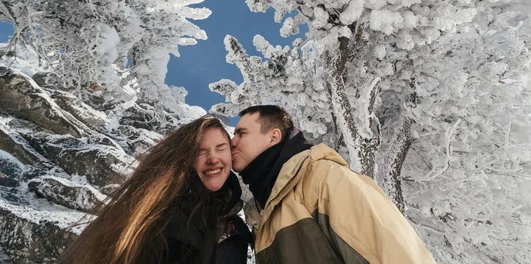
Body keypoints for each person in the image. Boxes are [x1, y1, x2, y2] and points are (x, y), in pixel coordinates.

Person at [232, 105, 436, 264]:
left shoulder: (323, 178)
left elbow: (395, 255)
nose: (233, 141)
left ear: (273, 137)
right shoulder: (265, 212)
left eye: (241, 133)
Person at [59, 114, 252, 264]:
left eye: (221, 148)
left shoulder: (235, 228)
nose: (212, 158)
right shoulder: (152, 209)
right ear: (186, 159)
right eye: (200, 151)